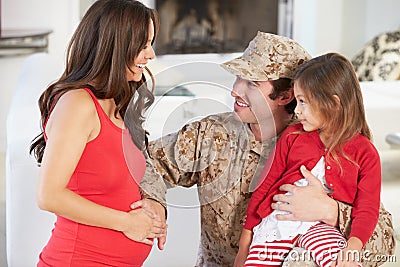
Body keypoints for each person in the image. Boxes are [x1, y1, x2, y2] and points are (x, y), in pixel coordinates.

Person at [138, 32, 395, 267]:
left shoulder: (331, 147)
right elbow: (146, 161)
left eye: (252, 83)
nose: (235, 89)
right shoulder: (210, 134)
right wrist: (154, 202)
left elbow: (384, 239)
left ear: (286, 96)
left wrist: (331, 212)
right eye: (239, 77)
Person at [29, 1, 167, 266]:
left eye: (151, 43)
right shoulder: (78, 104)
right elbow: (49, 195)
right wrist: (128, 223)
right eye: (142, 44)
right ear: (114, 45)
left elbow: (116, 187)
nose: (150, 55)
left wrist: (153, 211)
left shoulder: (117, 104)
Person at [235, 53, 380, 267]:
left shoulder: (365, 153)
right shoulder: (293, 136)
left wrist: (352, 248)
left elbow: (367, 209)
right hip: (279, 224)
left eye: (303, 102)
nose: (297, 110)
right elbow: (265, 186)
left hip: (321, 229)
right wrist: (244, 245)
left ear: (332, 104)